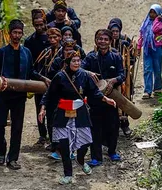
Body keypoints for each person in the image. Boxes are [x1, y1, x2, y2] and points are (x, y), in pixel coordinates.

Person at [38, 50, 116, 184]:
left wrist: (105, 99)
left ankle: (80, 159)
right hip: (63, 112)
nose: (76, 63)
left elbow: (93, 92)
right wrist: (42, 109)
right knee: (63, 145)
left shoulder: (85, 75)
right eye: (73, 61)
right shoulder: (60, 76)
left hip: (80, 111)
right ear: (67, 63)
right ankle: (68, 174)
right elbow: (49, 94)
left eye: (78, 61)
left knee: (86, 142)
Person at [0, 19, 47, 170]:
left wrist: (44, 79)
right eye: (14, 33)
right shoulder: (1, 53)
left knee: (17, 128)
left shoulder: (27, 52)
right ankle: (1, 150)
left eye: (19, 33)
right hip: (4, 96)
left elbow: (31, 72)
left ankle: (12, 159)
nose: (17, 36)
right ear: (9, 34)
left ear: (22, 34)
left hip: (20, 97)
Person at [82, 29, 125, 166]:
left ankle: (112, 152)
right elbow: (80, 70)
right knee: (95, 128)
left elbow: (122, 75)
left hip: (112, 97)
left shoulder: (116, 57)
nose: (103, 42)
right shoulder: (90, 57)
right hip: (95, 98)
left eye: (106, 39)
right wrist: (88, 72)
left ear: (110, 41)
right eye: (100, 39)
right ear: (96, 41)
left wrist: (114, 80)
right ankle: (96, 157)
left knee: (113, 126)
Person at [33, 27, 62, 159]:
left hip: (62, 90)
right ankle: (53, 143)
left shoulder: (65, 53)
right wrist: (44, 79)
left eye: (55, 37)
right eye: (50, 38)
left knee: (61, 118)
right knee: (50, 117)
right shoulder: (45, 53)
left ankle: (61, 145)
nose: (52, 40)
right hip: (47, 89)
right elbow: (34, 71)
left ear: (60, 38)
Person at [24, 9, 50, 145]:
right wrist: (41, 78)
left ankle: (54, 134)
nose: (39, 27)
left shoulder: (53, 37)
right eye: (36, 25)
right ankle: (42, 134)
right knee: (39, 106)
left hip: (53, 77)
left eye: (41, 24)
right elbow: (29, 65)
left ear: (45, 23)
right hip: (38, 78)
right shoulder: (29, 41)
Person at [107, 18, 135, 136]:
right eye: (112, 31)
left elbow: (132, 59)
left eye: (117, 31)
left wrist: (127, 59)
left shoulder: (125, 40)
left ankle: (125, 125)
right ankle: (112, 127)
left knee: (125, 99)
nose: (115, 34)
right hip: (110, 77)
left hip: (124, 78)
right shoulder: (105, 40)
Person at [137, 4, 162, 99]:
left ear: (158, 13)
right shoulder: (145, 23)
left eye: (154, 12)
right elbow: (141, 35)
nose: (152, 14)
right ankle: (147, 91)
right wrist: (138, 47)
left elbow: (155, 30)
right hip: (147, 49)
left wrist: (157, 20)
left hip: (157, 49)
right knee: (147, 69)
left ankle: (158, 89)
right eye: (151, 12)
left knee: (157, 69)